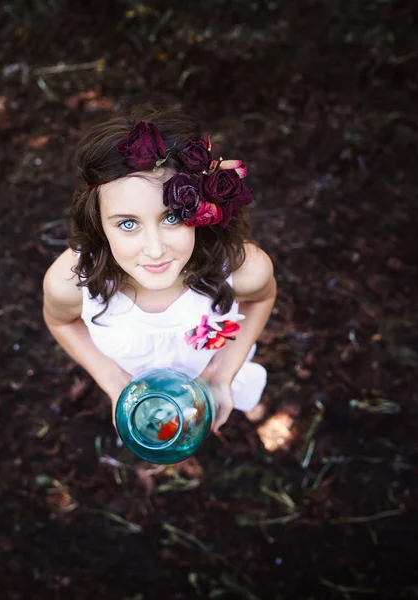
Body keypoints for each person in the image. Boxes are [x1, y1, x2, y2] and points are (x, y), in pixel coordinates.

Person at [42, 104, 276, 433]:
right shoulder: (70, 283)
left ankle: (246, 399)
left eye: (172, 217)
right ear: (98, 224)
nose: (154, 249)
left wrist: (224, 372)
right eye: (127, 224)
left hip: (213, 373)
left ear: (201, 211)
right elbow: (60, 321)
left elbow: (261, 299)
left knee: (238, 394)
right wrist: (113, 381)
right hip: (145, 392)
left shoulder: (242, 269)